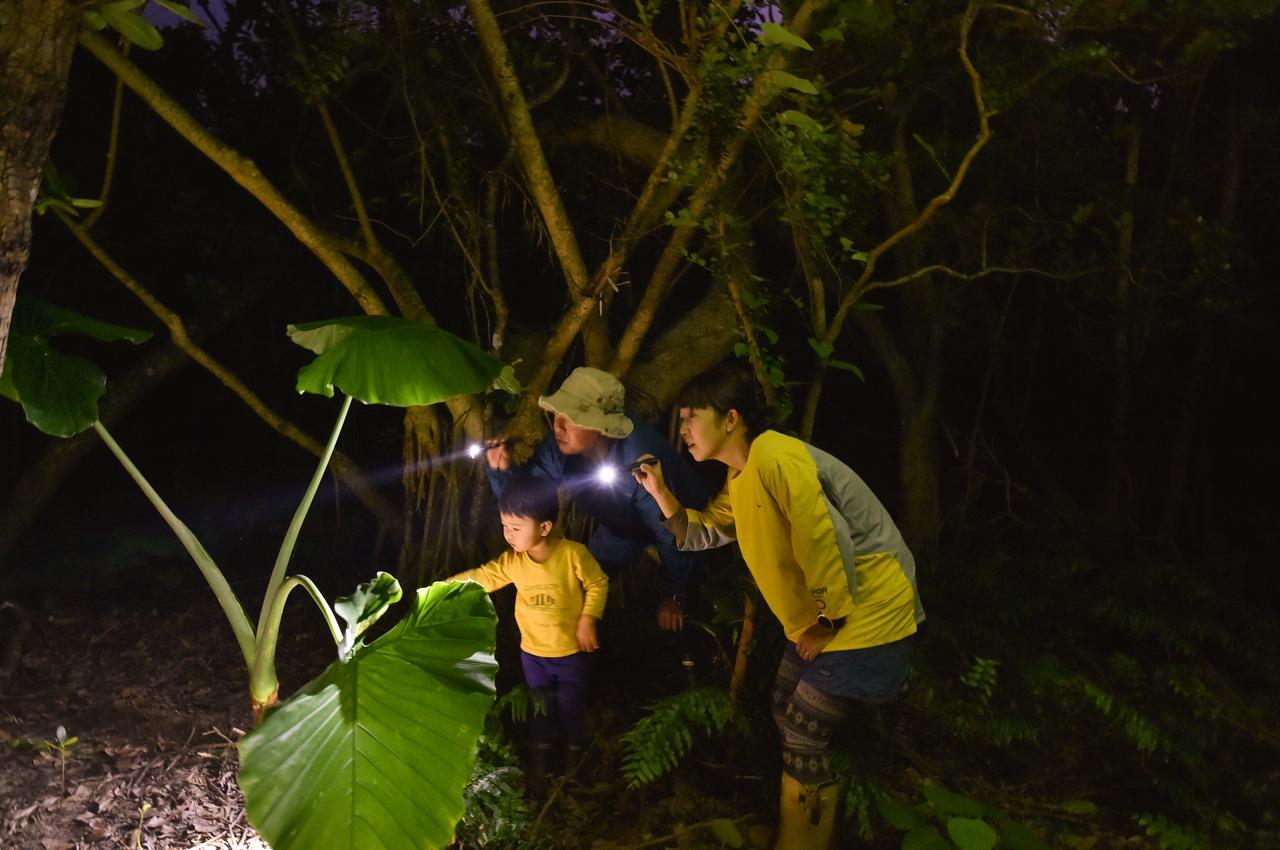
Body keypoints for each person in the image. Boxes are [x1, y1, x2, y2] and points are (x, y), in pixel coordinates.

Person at [633, 361, 924, 850]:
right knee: (783, 708)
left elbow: (823, 536)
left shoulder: (776, 456)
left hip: (869, 613)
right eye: (681, 419)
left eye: (691, 416)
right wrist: (660, 493)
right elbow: (706, 531)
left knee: (804, 728)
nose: (682, 429)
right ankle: (803, 830)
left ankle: (803, 842)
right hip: (828, 619)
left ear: (730, 418)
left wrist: (829, 620)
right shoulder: (742, 474)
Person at [485, 366, 710, 635]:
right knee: (578, 589)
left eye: (572, 417)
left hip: (686, 521)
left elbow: (672, 534)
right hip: (621, 527)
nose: (558, 426)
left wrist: (676, 596)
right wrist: (501, 473)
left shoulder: (639, 459)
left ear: (602, 428)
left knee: (684, 602)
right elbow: (526, 503)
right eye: (557, 414)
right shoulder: (561, 449)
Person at [445, 474, 609, 792]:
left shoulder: (573, 554)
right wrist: (446, 587)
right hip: (533, 654)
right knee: (539, 706)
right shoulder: (513, 562)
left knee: (571, 707)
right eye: (505, 526)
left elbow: (598, 583)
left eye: (516, 528)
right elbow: (483, 577)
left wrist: (588, 618)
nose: (508, 535)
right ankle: (541, 761)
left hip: (571, 652)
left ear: (544, 527)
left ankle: (573, 759)